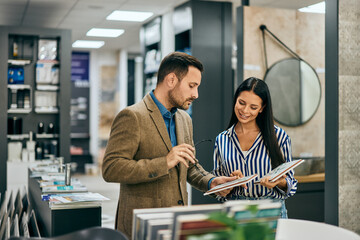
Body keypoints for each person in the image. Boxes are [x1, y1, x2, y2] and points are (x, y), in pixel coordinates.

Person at [102, 52, 237, 238]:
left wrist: (212, 182)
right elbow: (111, 168)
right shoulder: (132, 116)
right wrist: (164, 162)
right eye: (192, 86)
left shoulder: (184, 119)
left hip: (176, 225)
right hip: (141, 226)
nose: (196, 94)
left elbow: (189, 166)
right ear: (171, 80)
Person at [212, 77, 298, 218]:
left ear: (262, 108)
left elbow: (291, 184)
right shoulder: (222, 140)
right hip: (235, 212)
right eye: (241, 103)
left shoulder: (279, 137)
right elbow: (217, 187)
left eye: (253, 107)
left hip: (271, 211)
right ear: (235, 100)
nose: (245, 111)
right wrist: (229, 183)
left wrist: (279, 182)